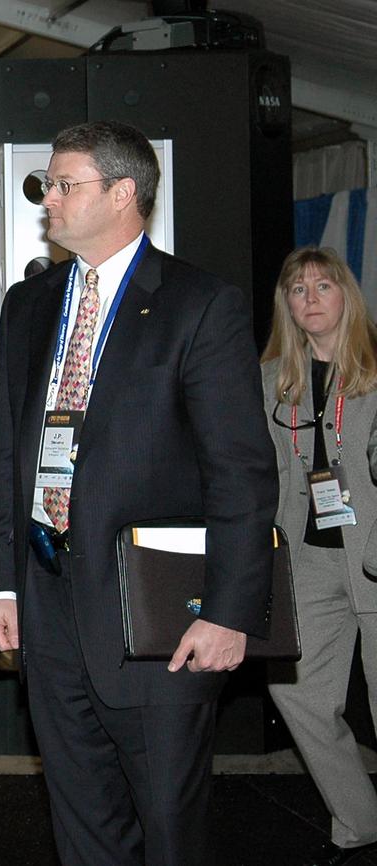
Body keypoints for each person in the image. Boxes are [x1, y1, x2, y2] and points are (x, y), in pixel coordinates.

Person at [0, 120, 277, 865]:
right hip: (47, 612)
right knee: (82, 827)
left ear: (123, 193)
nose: (48, 198)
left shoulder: (197, 304)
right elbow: (2, 456)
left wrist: (233, 611)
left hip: (158, 620)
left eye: (65, 184)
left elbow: (240, 469)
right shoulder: (29, 304)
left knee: (169, 830)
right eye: (48, 184)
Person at [262, 246, 377, 866]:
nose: (309, 298)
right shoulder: (275, 377)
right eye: (297, 289)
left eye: (322, 286)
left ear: (345, 296)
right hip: (307, 560)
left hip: (375, 556)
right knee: (297, 693)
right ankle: (361, 821)